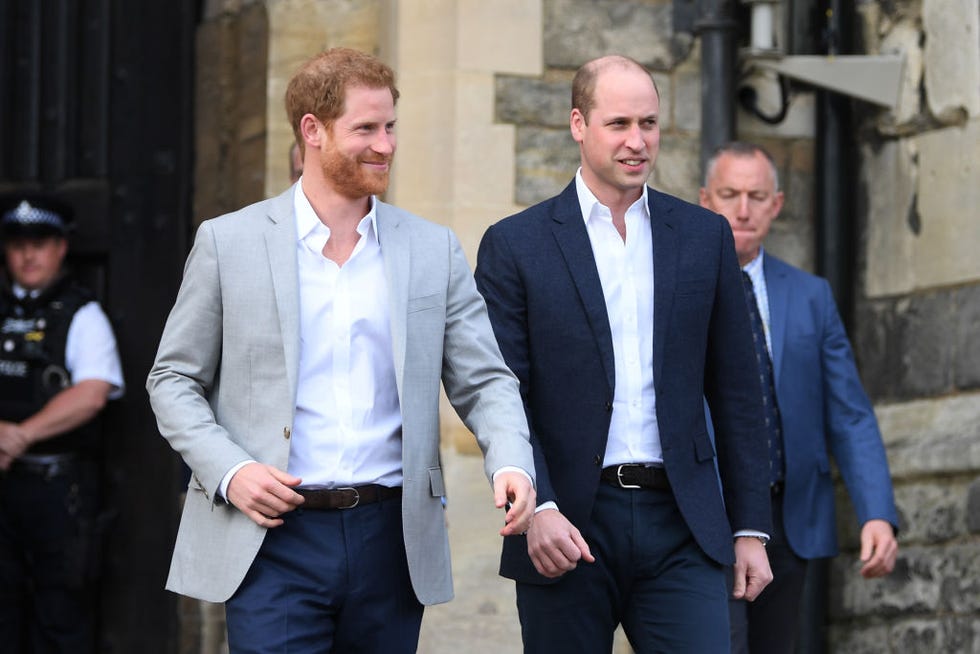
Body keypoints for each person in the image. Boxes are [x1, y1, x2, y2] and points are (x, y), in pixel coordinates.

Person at [146, 47, 536, 653]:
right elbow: (172, 378)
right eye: (366, 129)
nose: (386, 144)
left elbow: (484, 380)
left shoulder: (433, 249)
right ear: (314, 131)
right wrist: (231, 470)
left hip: (393, 538)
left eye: (391, 127)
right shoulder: (229, 242)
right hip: (271, 538)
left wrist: (511, 460)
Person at [475, 55, 773, 653]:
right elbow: (502, 393)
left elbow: (738, 390)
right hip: (566, 524)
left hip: (682, 521)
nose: (638, 142)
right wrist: (540, 506)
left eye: (650, 123)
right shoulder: (515, 245)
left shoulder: (704, 235)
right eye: (619, 124)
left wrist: (750, 528)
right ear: (578, 124)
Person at [699, 141, 899, 653]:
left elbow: (850, 415)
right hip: (707, 517)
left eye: (756, 196)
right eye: (729, 194)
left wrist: (876, 511)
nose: (743, 209)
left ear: (777, 205)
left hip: (790, 519)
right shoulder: (679, 289)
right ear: (705, 200)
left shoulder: (811, 296)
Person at [0, 196, 125, 653]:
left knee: (60, 617)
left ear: (61, 248)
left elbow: (92, 393)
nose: (28, 255)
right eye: (17, 244)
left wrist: (18, 436)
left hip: (57, 491)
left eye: (40, 243)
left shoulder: (81, 314)